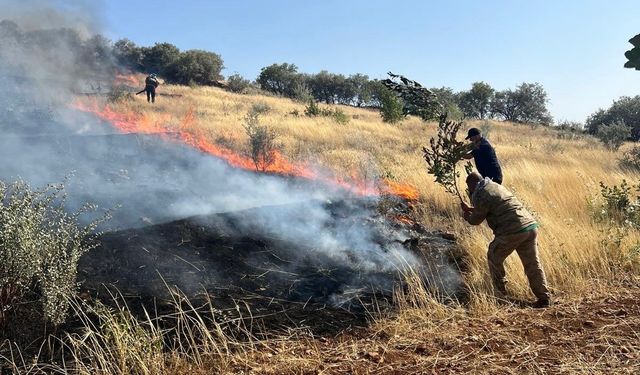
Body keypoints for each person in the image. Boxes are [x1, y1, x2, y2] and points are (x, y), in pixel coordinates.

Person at [460, 171, 551, 308]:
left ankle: (500, 295)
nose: (469, 191)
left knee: (493, 256)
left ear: (472, 185)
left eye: (469, 188)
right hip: (529, 227)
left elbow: (476, 220)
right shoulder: (494, 186)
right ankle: (544, 297)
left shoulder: (481, 193)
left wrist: (467, 216)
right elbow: (493, 206)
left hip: (512, 230)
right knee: (532, 263)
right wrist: (472, 208)